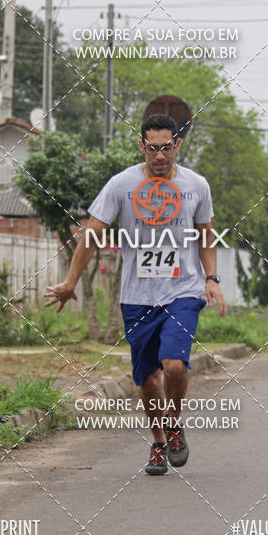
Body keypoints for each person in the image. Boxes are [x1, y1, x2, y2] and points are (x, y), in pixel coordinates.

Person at [44, 114, 227, 475]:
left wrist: (212, 277)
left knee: (175, 364)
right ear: (142, 146)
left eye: (167, 147)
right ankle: (158, 441)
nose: (160, 155)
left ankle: (174, 423)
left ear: (177, 144)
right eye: (153, 148)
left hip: (184, 291)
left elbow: (205, 233)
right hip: (138, 298)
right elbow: (91, 235)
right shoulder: (121, 185)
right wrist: (70, 282)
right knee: (146, 380)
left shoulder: (196, 185)